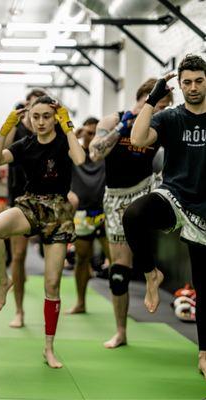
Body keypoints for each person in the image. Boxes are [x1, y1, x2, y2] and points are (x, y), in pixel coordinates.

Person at [0, 96, 85, 368]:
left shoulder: (64, 140)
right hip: (31, 204)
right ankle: (5, 281)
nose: (40, 122)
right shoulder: (25, 144)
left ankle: (49, 347)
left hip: (58, 211)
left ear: (54, 118)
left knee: (52, 284)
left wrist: (68, 127)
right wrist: (4, 131)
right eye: (36, 117)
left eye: (46, 116)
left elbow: (80, 157)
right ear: (29, 119)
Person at [123, 54, 206, 377]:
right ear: (180, 84)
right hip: (173, 195)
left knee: (202, 282)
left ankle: (203, 353)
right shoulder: (171, 117)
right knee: (134, 214)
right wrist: (154, 98)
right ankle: (151, 274)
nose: (193, 87)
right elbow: (139, 138)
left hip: (203, 210)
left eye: (199, 81)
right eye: (187, 82)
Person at [89, 78, 173, 349]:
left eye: (164, 108)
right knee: (118, 272)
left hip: (146, 189)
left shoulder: (158, 125)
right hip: (115, 197)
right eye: (159, 105)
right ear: (146, 97)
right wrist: (123, 127)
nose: (160, 112)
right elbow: (94, 154)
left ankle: (153, 273)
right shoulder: (112, 120)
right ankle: (121, 331)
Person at [4, 89, 46, 328]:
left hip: (50, 202)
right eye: (31, 108)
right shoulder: (18, 131)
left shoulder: (54, 132)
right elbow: (3, 150)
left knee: (53, 261)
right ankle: (19, 311)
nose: (36, 115)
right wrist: (12, 120)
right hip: (19, 198)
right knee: (18, 256)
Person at [68, 117, 109, 314]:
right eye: (89, 133)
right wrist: (77, 133)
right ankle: (80, 302)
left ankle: (122, 306)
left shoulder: (105, 153)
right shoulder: (76, 155)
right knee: (81, 258)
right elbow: (65, 148)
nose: (92, 137)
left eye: (95, 133)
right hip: (82, 213)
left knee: (117, 261)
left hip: (104, 212)